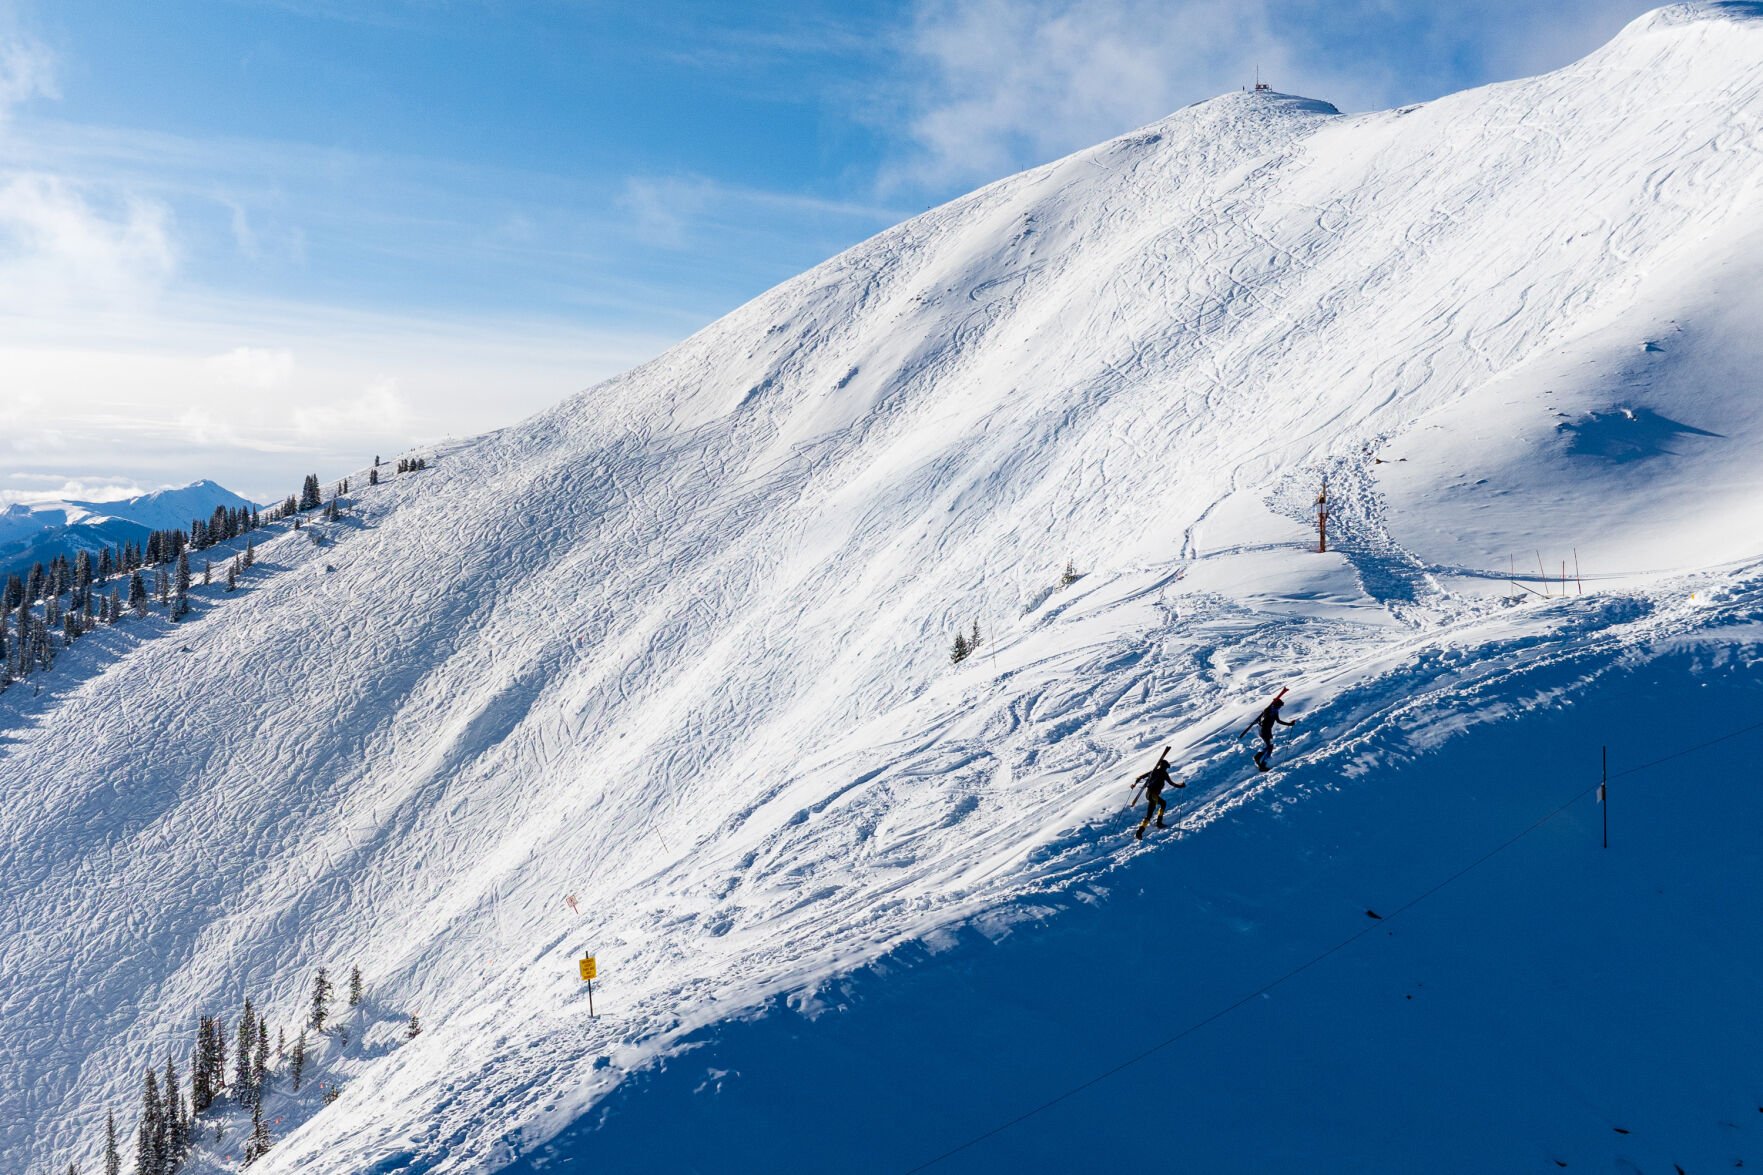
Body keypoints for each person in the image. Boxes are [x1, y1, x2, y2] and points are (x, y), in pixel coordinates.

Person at [1133, 754, 1184, 839]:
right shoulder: (1164, 774)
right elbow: (1171, 783)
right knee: (1153, 811)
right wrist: (1180, 786)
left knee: (1162, 804)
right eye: (1166, 767)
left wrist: (1135, 783)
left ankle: (1154, 825)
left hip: (1148, 794)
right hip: (1153, 795)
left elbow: (1140, 777)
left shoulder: (1154, 771)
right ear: (1164, 767)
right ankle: (1142, 831)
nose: (1166, 769)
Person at [1241, 695, 1295, 771]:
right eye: (1279, 706)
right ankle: (1262, 764)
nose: (1279, 708)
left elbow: (1278, 721)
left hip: (1266, 732)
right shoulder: (1268, 711)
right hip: (1264, 732)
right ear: (1276, 705)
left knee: (1269, 746)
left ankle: (1258, 757)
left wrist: (1289, 724)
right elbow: (1263, 720)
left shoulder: (1274, 711)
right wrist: (1266, 716)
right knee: (1270, 747)